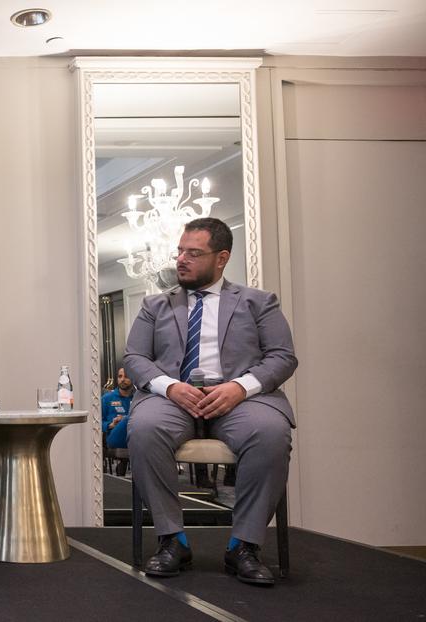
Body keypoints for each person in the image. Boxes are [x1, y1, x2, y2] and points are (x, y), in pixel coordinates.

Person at [124, 217, 297, 586]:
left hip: (240, 400)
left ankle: (244, 546)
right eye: (180, 251)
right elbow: (134, 358)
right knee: (144, 428)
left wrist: (240, 387)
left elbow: (283, 356)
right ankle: (173, 540)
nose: (181, 259)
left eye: (193, 253)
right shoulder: (155, 305)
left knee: (270, 432)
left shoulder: (258, 302)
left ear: (221, 258)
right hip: (174, 398)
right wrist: (170, 387)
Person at [102, 367, 134, 450]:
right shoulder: (107, 398)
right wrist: (110, 425)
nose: (122, 379)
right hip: (115, 439)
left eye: (126, 376)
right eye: (120, 376)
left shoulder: (139, 398)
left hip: (136, 438)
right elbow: (95, 423)